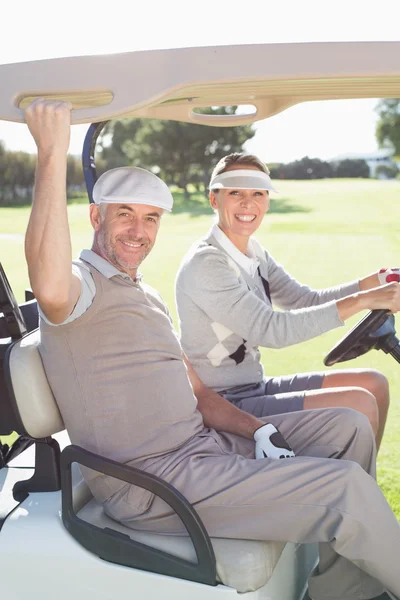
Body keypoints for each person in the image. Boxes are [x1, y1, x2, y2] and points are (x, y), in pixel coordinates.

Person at [24, 99, 400, 600]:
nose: (139, 231)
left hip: (203, 446)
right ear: (95, 216)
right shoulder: (81, 289)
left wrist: (259, 427)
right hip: (154, 482)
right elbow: (48, 285)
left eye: (151, 218)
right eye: (125, 216)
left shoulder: (145, 293)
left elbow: (198, 394)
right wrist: (52, 153)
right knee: (345, 490)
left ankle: (344, 593)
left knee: (348, 426)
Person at [175, 153, 399, 450]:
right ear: (214, 200)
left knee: (374, 384)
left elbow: (303, 300)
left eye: (257, 193)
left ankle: (360, 482)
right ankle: (352, 491)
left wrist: (372, 282)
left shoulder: (254, 253)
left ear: (267, 200)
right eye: (235, 193)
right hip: (224, 402)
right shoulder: (207, 263)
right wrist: (362, 300)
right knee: (359, 401)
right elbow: (272, 330)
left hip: (255, 388)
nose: (247, 203)